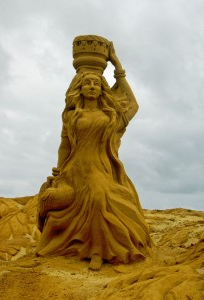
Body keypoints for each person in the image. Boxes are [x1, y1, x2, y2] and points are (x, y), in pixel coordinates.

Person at [36, 42, 152, 270]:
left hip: (101, 169)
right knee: (65, 205)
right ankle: (63, 246)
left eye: (96, 83)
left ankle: (99, 251)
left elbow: (134, 105)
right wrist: (59, 172)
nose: (91, 86)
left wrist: (118, 67)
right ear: (79, 88)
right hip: (74, 169)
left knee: (99, 200)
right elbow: (65, 145)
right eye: (86, 83)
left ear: (102, 89)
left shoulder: (110, 116)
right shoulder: (71, 116)